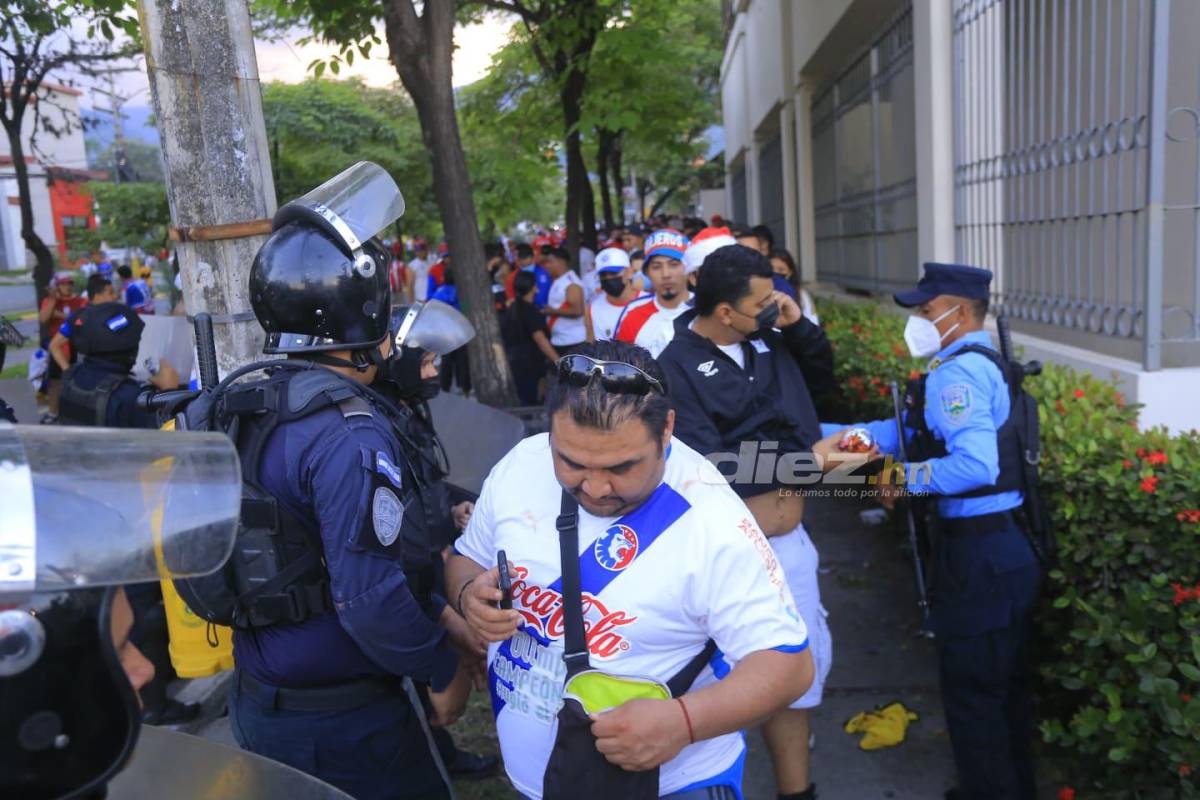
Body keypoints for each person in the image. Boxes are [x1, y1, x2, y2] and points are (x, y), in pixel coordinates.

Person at [445, 340, 815, 799]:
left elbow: (789, 665)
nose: (596, 488)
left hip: (676, 783)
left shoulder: (714, 521)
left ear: (666, 431)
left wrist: (683, 722)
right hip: (545, 779)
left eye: (622, 467)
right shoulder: (522, 463)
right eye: (571, 462)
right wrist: (466, 595)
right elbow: (468, 557)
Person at [219, 164, 473, 800]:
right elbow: (370, 598)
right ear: (363, 307)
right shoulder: (348, 431)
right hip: (343, 723)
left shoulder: (248, 398)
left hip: (259, 695)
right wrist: (444, 668)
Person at [820, 263, 1042, 800]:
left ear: (958, 313)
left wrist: (897, 478)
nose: (917, 321)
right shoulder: (982, 363)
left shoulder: (957, 373)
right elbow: (906, 431)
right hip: (1005, 548)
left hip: (980, 555)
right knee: (1003, 689)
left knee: (974, 696)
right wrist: (819, 438)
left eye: (924, 310)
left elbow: (973, 466)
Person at [656, 245, 841, 800]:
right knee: (730, 684)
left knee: (796, 681)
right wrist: (808, 464)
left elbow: (824, 381)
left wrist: (798, 326)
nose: (774, 306)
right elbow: (713, 468)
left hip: (791, 544)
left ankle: (796, 792)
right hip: (729, 557)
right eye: (762, 301)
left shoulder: (770, 343)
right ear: (724, 311)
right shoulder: (676, 367)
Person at [56, 300, 180, 428]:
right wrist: (169, 393)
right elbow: (166, 441)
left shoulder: (71, 377)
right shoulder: (130, 397)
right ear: (130, 349)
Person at [613, 228, 691, 358]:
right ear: (647, 272)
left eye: (674, 264)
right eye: (656, 266)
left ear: (688, 267)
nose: (666, 274)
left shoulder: (707, 310)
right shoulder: (633, 315)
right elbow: (620, 367)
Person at [501, 270, 558, 405]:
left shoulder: (513, 308)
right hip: (530, 364)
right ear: (533, 287)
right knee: (533, 401)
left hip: (515, 362)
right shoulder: (529, 311)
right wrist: (558, 360)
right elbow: (540, 339)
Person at [37, 271, 88, 421]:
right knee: (55, 382)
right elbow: (43, 318)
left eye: (70, 283)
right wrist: (53, 300)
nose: (68, 286)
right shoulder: (50, 301)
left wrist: (61, 316)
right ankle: (53, 413)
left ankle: (78, 412)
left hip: (76, 346)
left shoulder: (80, 301)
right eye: (64, 283)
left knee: (79, 381)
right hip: (57, 347)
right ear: (57, 286)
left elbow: (82, 321)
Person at [585, 247, 646, 342]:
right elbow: (590, 346)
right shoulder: (592, 309)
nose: (608, 278)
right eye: (603, 275)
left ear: (629, 272)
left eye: (613, 273)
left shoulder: (649, 302)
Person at [541, 246, 587, 359]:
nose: (547, 266)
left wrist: (553, 311)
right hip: (561, 339)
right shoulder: (559, 280)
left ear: (561, 262)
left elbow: (577, 310)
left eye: (550, 262)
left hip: (573, 341)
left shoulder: (571, 282)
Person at [768, 249, 819, 325]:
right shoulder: (758, 293)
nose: (775, 274)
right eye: (771, 269)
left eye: (781, 270)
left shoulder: (801, 295)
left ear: (790, 273)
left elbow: (813, 322)